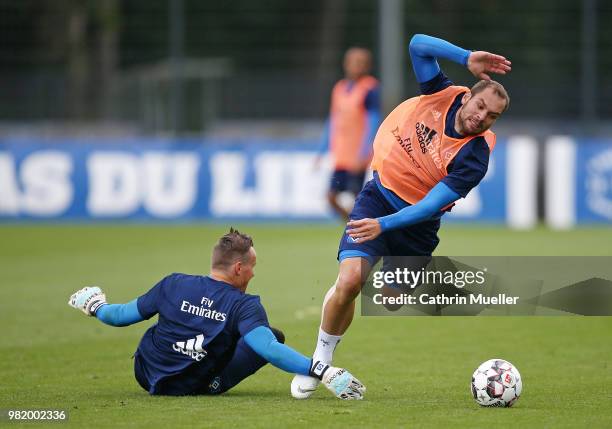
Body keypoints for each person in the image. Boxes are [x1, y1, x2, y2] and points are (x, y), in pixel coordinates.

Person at [292, 34, 511, 397]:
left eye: (492, 116)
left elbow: (427, 207)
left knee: (390, 298)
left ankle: (376, 277)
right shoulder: (441, 92)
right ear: (469, 95)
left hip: (417, 226)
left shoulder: (475, 156)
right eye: (481, 106)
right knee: (349, 283)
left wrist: (385, 226)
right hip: (377, 197)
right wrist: (467, 55)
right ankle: (320, 360)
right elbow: (417, 44)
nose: (481, 117)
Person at [68, 228, 365, 400]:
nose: (253, 272)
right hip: (191, 386)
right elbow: (267, 348)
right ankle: (211, 383)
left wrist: (95, 306)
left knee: (231, 333)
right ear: (238, 269)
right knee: (269, 335)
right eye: (252, 266)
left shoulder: (173, 283)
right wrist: (323, 371)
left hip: (145, 376)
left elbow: (120, 316)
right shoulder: (244, 304)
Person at [315, 47, 381, 221]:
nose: (355, 66)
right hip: (341, 155)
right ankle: (352, 224)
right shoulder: (339, 88)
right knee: (331, 196)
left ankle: (360, 227)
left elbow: (373, 120)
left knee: (357, 197)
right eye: (352, 62)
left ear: (367, 66)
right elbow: (332, 121)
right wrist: (321, 152)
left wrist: (365, 150)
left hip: (358, 154)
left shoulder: (369, 88)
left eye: (360, 63)